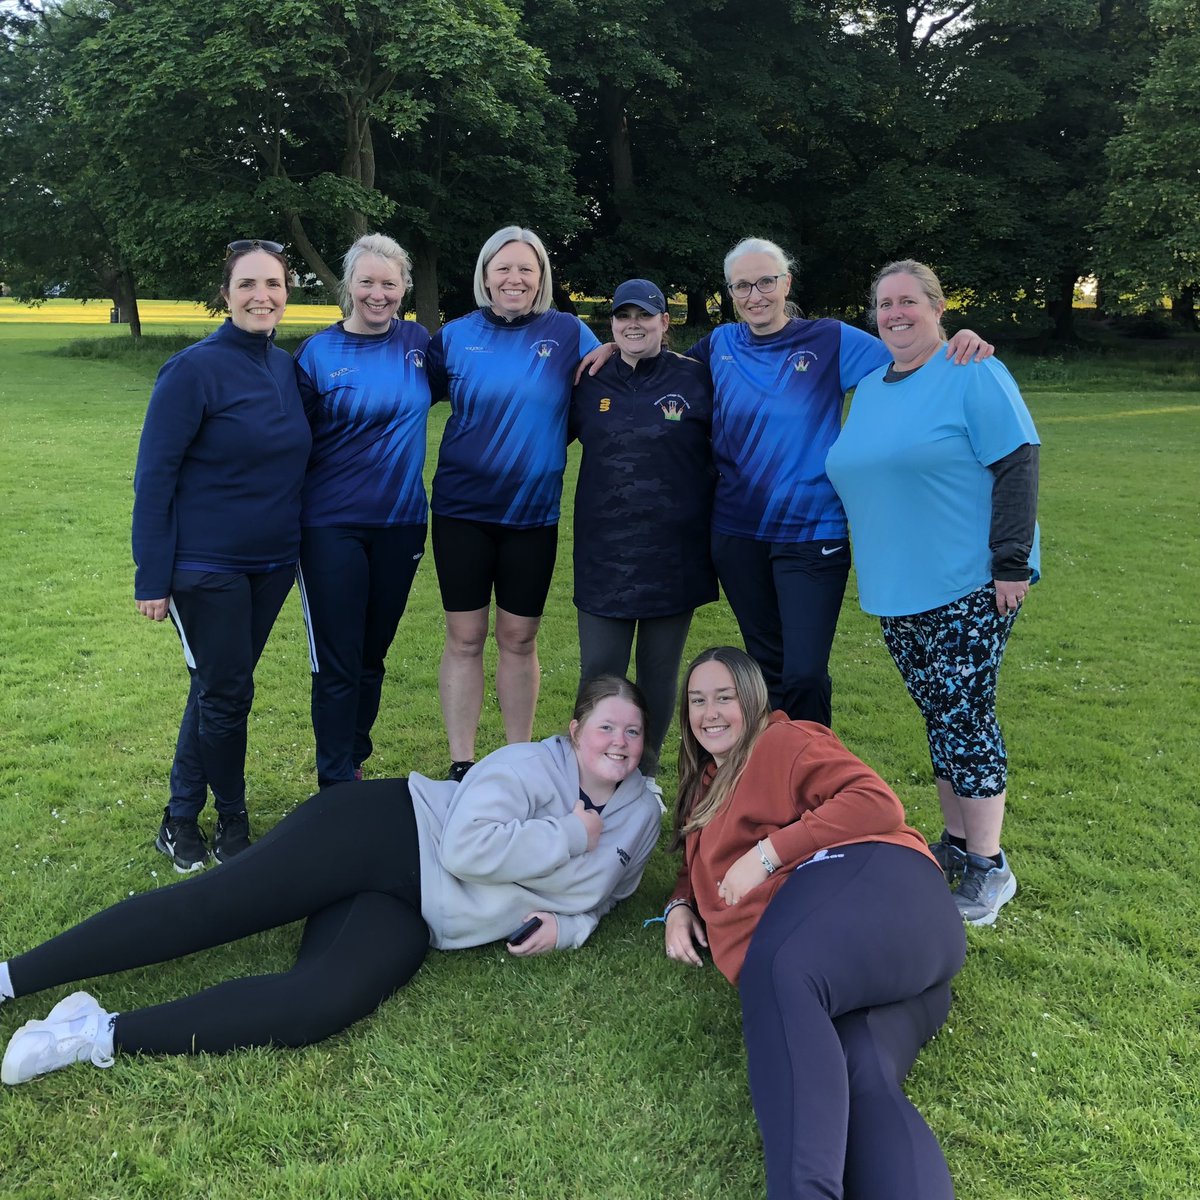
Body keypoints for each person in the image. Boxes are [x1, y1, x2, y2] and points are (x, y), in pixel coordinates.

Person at [0, 678, 661, 1086]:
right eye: (606, 725)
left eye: (633, 731)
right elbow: (465, 848)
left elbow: (609, 894)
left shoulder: (641, 816)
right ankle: (11, 976)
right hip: (381, 830)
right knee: (216, 904)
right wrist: (569, 836)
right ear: (575, 731)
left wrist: (569, 927)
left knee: (319, 1002)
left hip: (416, 911)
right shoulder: (526, 764)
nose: (620, 741)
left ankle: (93, 1032)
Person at [582, 238, 992, 728]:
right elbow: (657, 364)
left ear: (786, 284)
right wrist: (613, 346)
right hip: (736, 534)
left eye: (765, 282)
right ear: (731, 293)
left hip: (812, 533)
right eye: (742, 286)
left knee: (804, 673)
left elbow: (908, 350)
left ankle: (815, 774)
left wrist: (956, 342)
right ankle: (773, 774)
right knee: (765, 668)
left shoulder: (830, 339)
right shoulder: (719, 347)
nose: (755, 295)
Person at [661, 646, 966, 1200]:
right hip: (896, 972)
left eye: (725, 697)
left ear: (752, 702)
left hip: (874, 890)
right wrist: (679, 905)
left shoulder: (782, 742)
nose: (710, 712)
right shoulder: (703, 793)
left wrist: (769, 854)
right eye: (697, 700)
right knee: (862, 1072)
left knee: (777, 971)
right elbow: (692, 864)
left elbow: (875, 801)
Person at [825, 259, 1040, 927]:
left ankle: (990, 865)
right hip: (897, 590)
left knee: (966, 719)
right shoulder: (871, 383)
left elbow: (1018, 459)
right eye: (885, 303)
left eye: (909, 301)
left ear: (937, 307)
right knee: (940, 717)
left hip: (966, 584)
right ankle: (954, 845)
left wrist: (1011, 563)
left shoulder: (972, 370)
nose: (896, 313)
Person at [132, 239, 312, 872]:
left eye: (274, 285)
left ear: (287, 293)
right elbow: (154, 476)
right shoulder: (192, 370)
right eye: (248, 285)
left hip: (272, 564)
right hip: (204, 567)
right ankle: (229, 817)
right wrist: (150, 576)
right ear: (226, 294)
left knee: (215, 687)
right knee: (227, 692)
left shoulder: (287, 368)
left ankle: (180, 815)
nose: (262, 296)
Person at [425, 226, 601, 781]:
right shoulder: (453, 336)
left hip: (532, 514)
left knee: (519, 639)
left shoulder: (571, 333)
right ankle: (462, 761)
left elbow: (617, 383)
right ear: (484, 275)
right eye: (503, 268)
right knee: (466, 636)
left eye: (526, 269)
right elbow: (406, 399)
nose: (514, 278)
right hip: (461, 511)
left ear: (542, 277)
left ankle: (519, 759)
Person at [294, 234, 432, 788]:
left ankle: (352, 756)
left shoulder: (421, 343)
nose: (379, 293)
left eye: (390, 283)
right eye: (367, 281)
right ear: (347, 286)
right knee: (338, 657)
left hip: (401, 524)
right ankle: (333, 783)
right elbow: (284, 438)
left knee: (373, 654)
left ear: (404, 288)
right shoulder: (316, 354)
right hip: (330, 526)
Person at [569, 278, 717, 791]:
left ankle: (644, 782)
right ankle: (591, 783)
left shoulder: (698, 378)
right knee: (600, 677)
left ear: (664, 322)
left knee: (658, 677)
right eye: (622, 317)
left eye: (645, 316)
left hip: (672, 556)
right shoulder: (588, 379)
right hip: (604, 554)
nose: (634, 325)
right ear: (610, 324)